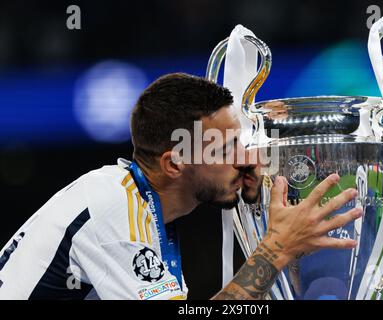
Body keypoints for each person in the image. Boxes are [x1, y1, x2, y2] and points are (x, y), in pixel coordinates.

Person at [0, 73, 361, 300]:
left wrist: (255, 204)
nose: (244, 158)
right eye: (224, 149)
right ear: (174, 164)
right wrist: (276, 250)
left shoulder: (140, 203)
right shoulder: (114, 211)